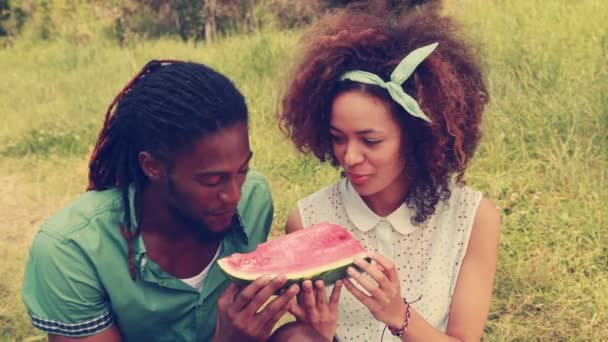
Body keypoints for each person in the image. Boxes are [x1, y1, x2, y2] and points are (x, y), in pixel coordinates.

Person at [22, 60, 323, 341]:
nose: (234, 195)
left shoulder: (254, 198)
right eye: (211, 180)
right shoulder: (70, 249)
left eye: (242, 170)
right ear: (152, 167)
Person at [279, 4, 501, 341]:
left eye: (370, 140)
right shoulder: (308, 221)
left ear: (416, 138)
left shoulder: (473, 219)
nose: (350, 157)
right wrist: (319, 333)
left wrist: (398, 315)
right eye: (338, 138)